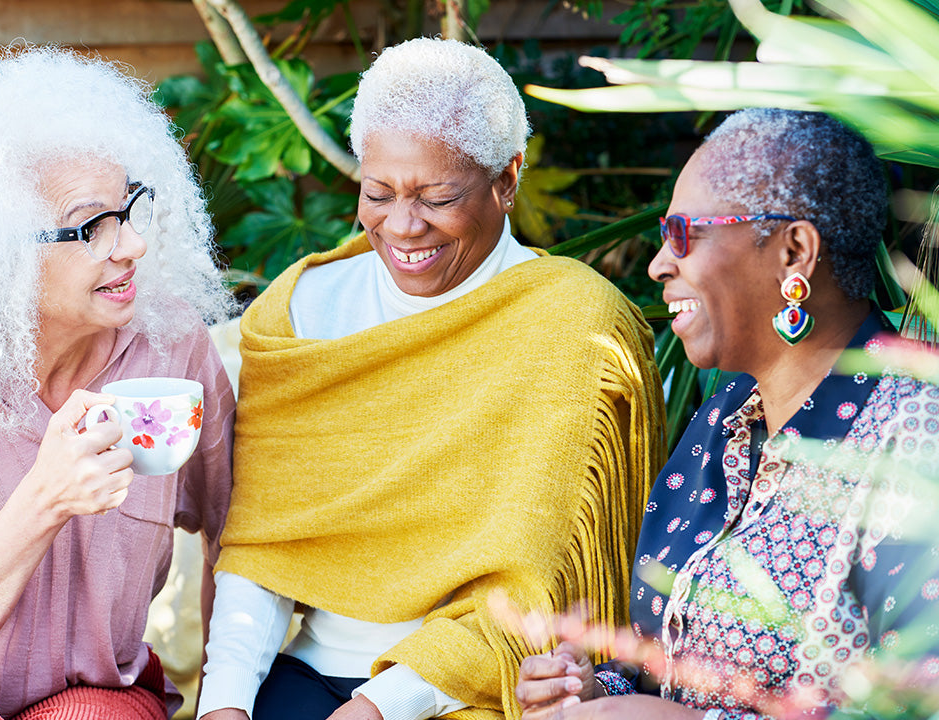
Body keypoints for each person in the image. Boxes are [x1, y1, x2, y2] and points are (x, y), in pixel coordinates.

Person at [196, 37, 666, 720]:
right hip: (311, 670)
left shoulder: (572, 321)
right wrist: (224, 706)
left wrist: (378, 707)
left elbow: (534, 584)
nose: (403, 226)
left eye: (437, 196)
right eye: (378, 193)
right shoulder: (300, 308)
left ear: (507, 179)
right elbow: (265, 549)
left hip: (478, 685)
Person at [515, 109, 939, 719]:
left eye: (684, 233)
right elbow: (662, 674)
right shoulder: (724, 422)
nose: (661, 263)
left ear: (794, 251)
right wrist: (592, 690)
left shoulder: (915, 432)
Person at [0, 47, 237, 719]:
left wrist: (225, 701)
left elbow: (235, 528)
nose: (132, 246)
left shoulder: (173, 347)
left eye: (130, 208)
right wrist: (48, 496)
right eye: (94, 225)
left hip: (97, 689)